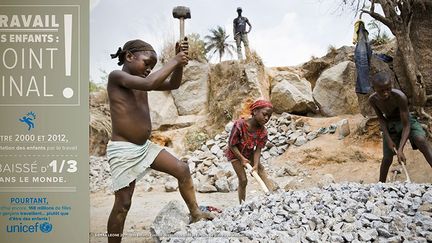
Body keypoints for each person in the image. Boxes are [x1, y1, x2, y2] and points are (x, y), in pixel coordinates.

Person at [106, 39, 213, 243]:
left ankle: (196, 213)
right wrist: (174, 60)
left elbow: (174, 83)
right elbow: (150, 83)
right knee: (123, 204)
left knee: (182, 169)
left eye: (152, 67)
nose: (149, 69)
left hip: (144, 148)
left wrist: (179, 66)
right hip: (123, 150)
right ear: (129, 56)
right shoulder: (118, 77)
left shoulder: (141, 80)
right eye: (146, 63)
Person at [368, 72, 432, 182]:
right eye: (381, 91)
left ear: (391, 85)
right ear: (374, 89)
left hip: (407, 120)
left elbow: (406, 125)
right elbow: (381, 119)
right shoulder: (373, 100)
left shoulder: (400, 97)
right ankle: (380, 185)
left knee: (420, 140)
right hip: (390, 124)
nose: (386, 93)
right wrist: (388, 139)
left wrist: (400, 149)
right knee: (387, 158)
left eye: (388, 89)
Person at [225, 99, 277, 204]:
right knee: (243, 180)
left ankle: (271, 196)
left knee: (261, 170)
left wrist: (256, 165)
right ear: (255, 111)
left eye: (269, 116)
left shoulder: (263, 131)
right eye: (264, 114)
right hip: (235, 153)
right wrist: (242, 159)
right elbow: (231, 144)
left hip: (248, 152)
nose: (266, 118)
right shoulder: (240, 125)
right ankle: (242, 204)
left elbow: (258, 150)